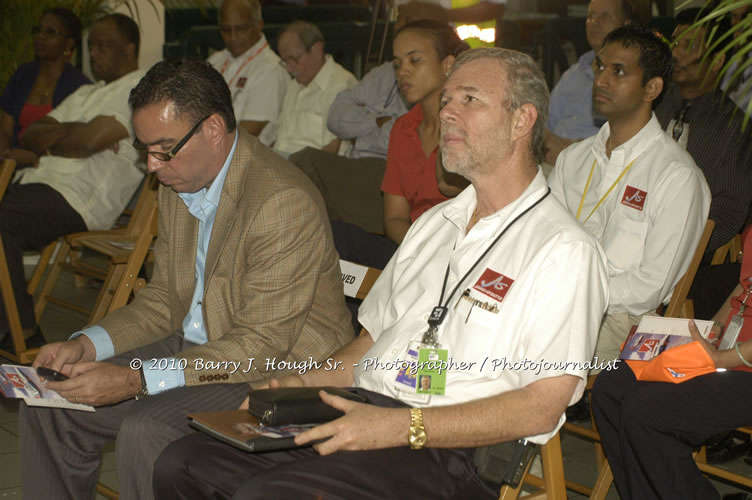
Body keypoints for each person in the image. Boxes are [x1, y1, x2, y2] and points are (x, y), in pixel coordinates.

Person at [152, 47, 609, 500]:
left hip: (449, 449)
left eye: (469, 100)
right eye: (446, 99)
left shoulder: (563, 249)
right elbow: (368, 344)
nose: (447, 112)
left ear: (522, 121)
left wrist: (399, 426)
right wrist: (299, 385)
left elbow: (542, 406)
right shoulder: (435, 223)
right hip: (365, 410)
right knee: (185, 463)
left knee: (269, 493)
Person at [20, 58, 353, 500]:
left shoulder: (279, 201)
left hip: (276, 371)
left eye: (163, 149)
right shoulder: (181, 180)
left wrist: (136, 379)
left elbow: (258, 346)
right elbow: (164, 299)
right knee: (51, 401)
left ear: (213, 129)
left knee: (147, 429)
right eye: (145, 150)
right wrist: (86, 343)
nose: (152, 166)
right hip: (204, 344)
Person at [549, 24, 710, 369]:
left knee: (516, 348)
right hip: (557, 300)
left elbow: (649, 288)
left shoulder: (676, 176)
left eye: (618, 71)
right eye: (600, 67)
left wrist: (577, 291)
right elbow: (545, 241)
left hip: (621, 319)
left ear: (651, 87)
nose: (602, 80)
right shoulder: (573, 160)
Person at [0, 13, 144, 349]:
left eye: (102, 46)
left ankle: (22, 334)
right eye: (90, 46)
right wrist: (79, 132)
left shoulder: (141, 89)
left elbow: (88, 144)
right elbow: (32, 134)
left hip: (79, 198)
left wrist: (70, 136)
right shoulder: (86, 92)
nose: (93, 53)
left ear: (129, 48)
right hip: (38, 182)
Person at [592, 227, 752, 500]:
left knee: (646, 411)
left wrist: (721, 357)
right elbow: (744, 287)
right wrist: (709, 333)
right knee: (612, 386)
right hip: (729, 355)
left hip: (743, 370)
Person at [329, 20, 470, 272]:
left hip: (460, 253)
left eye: (414, 60)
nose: (402, 71)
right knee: (334, 235)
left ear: (448, 64)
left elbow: (454, 191)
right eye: (397, 64)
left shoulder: (469, 124)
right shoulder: (402, 129)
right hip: (412, 246)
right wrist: (418, 250)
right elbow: (394, 218)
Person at [655, 8, 752, 319]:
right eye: (675, 44)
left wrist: (679, 238)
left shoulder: (735, 126)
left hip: (685, 251)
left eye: (690, 46)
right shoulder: (651, 106)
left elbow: (729, 209)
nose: (677, 53)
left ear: (718, 61)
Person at [290, 60, 409, 234]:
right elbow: (335, 116)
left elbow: (398, 139)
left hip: (386, 168)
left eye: (414, 59)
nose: (403, 69)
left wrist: (357, 135)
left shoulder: (431, 84)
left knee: (305, 161)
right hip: (354, 162)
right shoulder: (384, 71)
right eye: (399, 61)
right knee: (288, 170)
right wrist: (375, 121)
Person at [543, 0, 650, 166]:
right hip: (550, 163)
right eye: (591, 16)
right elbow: (546, 124)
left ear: (626, 25)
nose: (594, 22)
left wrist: (570, 151)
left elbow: (629, 140)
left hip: (596, 166)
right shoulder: (574, 72)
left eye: (605, 16)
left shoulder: (636, 77)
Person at [0, 7, 90, 167]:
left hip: (49, 171)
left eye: (50, 32)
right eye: (38, 30)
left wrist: (29, 157)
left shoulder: (80, 87)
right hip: (9, 162)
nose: (40, 36)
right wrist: (4, 147)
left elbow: (70, 144)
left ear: (68, 43)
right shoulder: (23, 74)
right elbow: (6, 130)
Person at [207, 0, 289, 146]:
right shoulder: (216, 60)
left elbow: (247, 133)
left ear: (259, 25)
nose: (233, 37)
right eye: (226, 30)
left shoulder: (271, 69)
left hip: (245, 159)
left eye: (241, 29)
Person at [272, 21, 357, 158]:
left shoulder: (342, 86)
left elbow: (331, 156)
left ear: (317, 49)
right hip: (281, 167)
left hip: (310, 174)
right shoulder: (294, 84)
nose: (289, 68)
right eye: (285, 61)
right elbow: (281, 141)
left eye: (293, 59)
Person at [398, 0, 507, 48]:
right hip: (426, 56)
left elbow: (497, 8)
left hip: (473, 55)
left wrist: (444, 15)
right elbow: (403, 10)